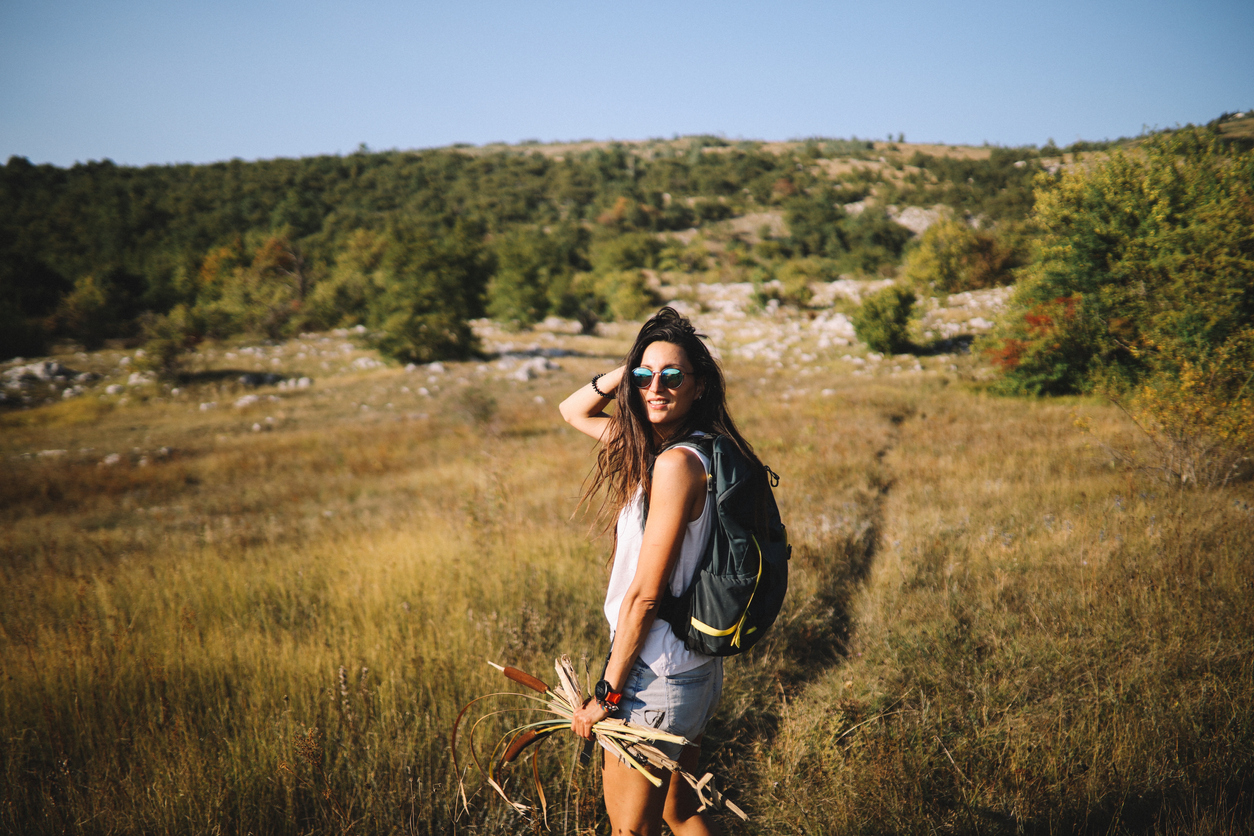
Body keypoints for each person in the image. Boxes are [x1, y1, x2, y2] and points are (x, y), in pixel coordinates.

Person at [559, 306, 764, 836]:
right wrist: (631, 369)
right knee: (680, 811)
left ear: (699, 386)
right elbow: (572, 410)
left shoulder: (674, 465)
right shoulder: (698, 451)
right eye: (644, 376)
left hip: (654, 678)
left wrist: (607, 695)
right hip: (693, 669)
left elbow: (644, 596)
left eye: (672, 377)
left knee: (631, 830)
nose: (656, 388)